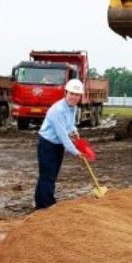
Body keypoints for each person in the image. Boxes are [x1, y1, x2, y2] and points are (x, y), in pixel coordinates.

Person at [34, 79, 83, 209]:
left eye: (77, 95)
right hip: (48, 144)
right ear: (66, 92)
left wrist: (74, 131)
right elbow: (62, 135)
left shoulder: (73, 107)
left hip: (57, 145)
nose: (74, 97)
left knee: (51, 174)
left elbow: (70, 124)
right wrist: (76, 152)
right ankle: (46, 204)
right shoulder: (58, 110)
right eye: (71, 93)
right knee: (48, 174)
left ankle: (42, 201)